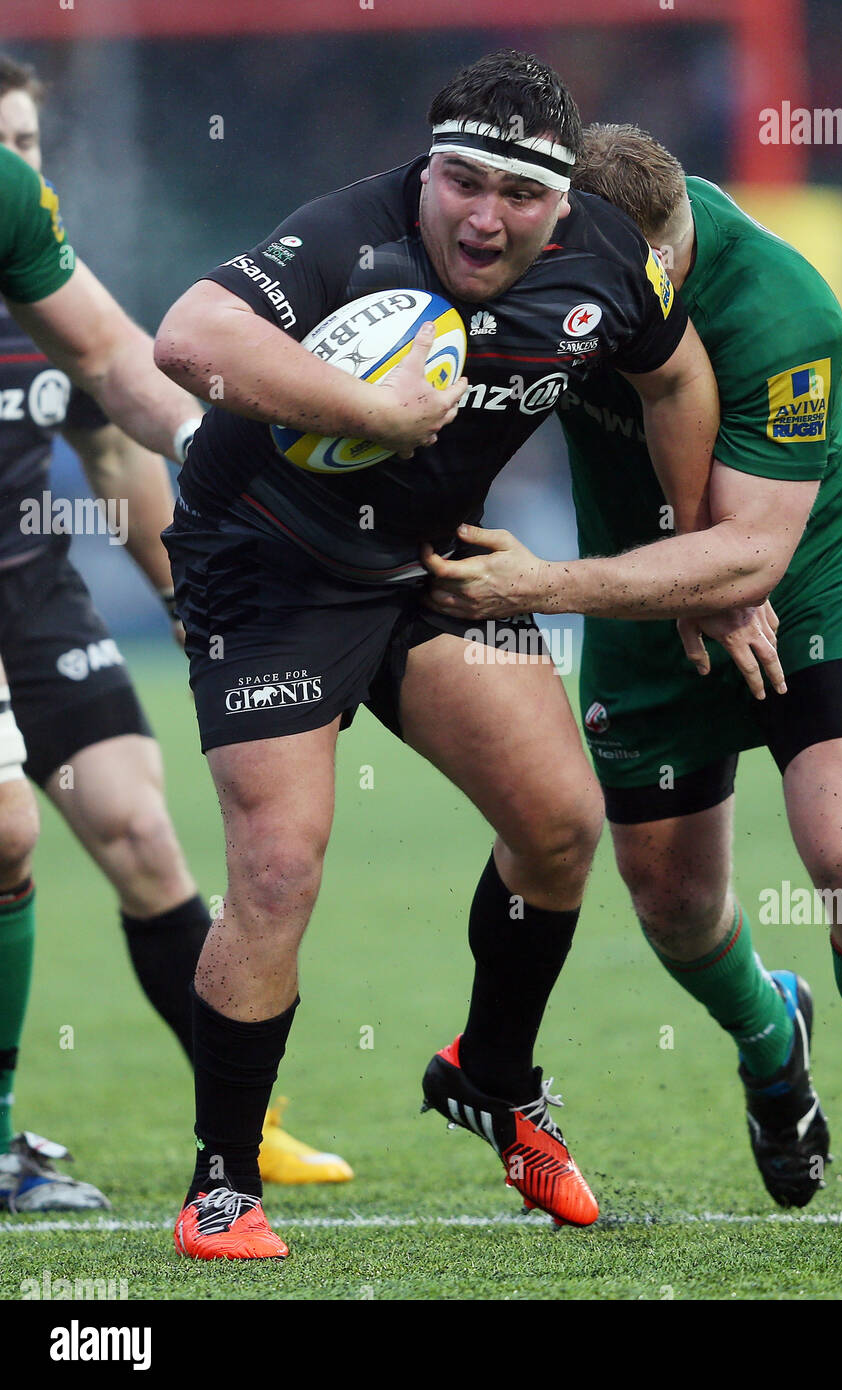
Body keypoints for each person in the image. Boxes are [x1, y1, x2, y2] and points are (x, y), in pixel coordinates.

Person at [153, 50, 769, 1260]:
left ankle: (493, 1073)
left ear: (562, 202)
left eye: (518, 194)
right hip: (267, 567)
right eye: (461, 180)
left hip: (433, 567)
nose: (482, 215)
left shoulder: (609, 260)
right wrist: (371, 408)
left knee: (558, 824)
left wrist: (693, 546)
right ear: (427, 169)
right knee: (277, 870)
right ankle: (221, 1185)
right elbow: (188, 337)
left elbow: (677, 374)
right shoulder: (349, 234)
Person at [424, 123, 842, 1228]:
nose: (645, 293)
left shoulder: (784, 306)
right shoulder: (526, 258)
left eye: (663, 270)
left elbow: (750, 555)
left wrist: (540, 585)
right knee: (672, 904)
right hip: (637, 602)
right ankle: (773, 1041)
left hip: (808, 594)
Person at [0, 55, 417, 1207]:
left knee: (134, 828)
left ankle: (243, 1115)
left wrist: (209, 505)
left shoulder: (21, 238)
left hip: (30, 588)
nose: (23, 163)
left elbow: (113, 392)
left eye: (31, 143)